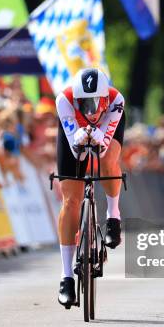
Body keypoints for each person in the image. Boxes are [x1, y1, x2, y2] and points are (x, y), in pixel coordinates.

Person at [55, 68, 125, 308]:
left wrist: (96, 134)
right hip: (73, 131)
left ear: (105, 99)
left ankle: (113, 215)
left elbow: (103, 148)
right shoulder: (64, 100)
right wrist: (81, 136)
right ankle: (66, 277)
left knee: (107, 161)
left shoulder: (116, 100)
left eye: (96, 103)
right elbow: (77, 152)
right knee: (70, 201)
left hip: (106, 129)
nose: (91, 110)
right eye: (84, 104)